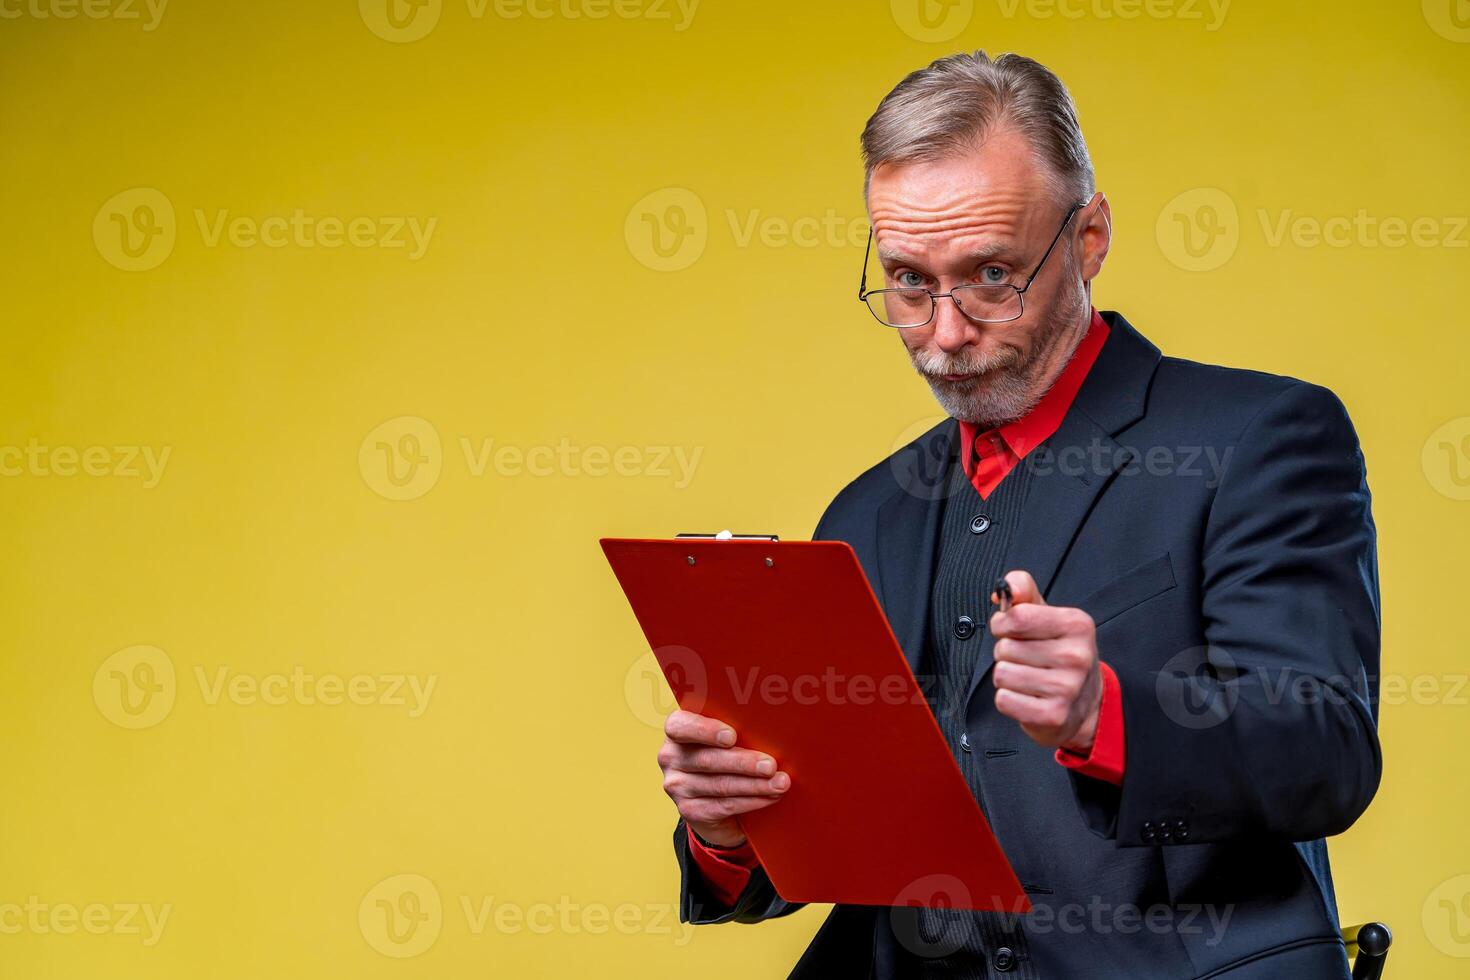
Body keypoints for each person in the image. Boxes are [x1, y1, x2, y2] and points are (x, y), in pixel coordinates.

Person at [656, 50, 1381, 979]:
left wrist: (1103, 717)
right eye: (910, 282)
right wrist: (729, 829)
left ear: (1089, 238)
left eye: (991, 274)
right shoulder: (867, 513)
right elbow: (838, 840)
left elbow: (1326, 750)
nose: (946, 332)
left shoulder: (1260, 437)